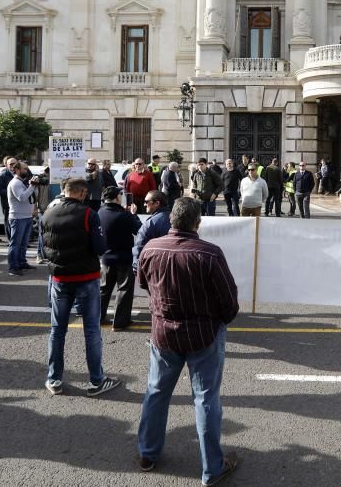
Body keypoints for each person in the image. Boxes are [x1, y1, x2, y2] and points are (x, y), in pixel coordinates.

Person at [137, 197, 240, 485]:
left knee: (156, 392)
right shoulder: (208, 253)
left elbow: (144, 283)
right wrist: (219, 320)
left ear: (171, 221)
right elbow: (229, 302)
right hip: (203, 333)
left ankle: (148, 453)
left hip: (163, 332)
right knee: (206, 399)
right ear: (198, 222)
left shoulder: (151, 247)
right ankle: (212, 468)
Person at [41, 177, 121, 397]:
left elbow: (43, 249)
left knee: (57, 331)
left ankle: (54, 378)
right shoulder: (88, 214)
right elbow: (100, 247)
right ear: (83, 193)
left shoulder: (48, 213)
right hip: (86, 277)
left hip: (59, 278)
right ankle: (96, 380)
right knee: (92, 331)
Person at [98, 186, 142, 331]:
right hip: (123, 257)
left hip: (105, 257)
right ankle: (120, 322)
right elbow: (139, 230)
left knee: (104, 289)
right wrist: (133, 214)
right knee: (124, 289)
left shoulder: (100, 212)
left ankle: (98, 317)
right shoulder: (124, 214)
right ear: (117, 197)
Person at [7, 162, 39, 276]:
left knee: (24, 243)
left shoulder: (23, 182)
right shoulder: (15, 183)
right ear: (17, 170)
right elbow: (22, 197)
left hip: (27, 216)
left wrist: (34, 185)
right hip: (18, 217)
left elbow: (32, 196)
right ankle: (13, 267)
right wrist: (31, 186)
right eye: (25, 169)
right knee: (16, 243)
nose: (27, 170)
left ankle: (21, 262)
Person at [133, 191, 171, 269]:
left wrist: (136, 267)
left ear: (157, 203)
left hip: (154, 268)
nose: (144, 204)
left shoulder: (151, 223)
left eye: (146, 202)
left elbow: (140, 246)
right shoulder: (176, 219)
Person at [0, 157, 18, 241]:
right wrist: (10, 193)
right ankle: (11, 240)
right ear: (6, 165)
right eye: (11, 164)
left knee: (19, 223)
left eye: (14, 163)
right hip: (7, 203)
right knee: (9, 222)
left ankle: (19, 240)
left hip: (20, 203)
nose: (13, 165)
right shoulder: (2, 175)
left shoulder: (21, 173)